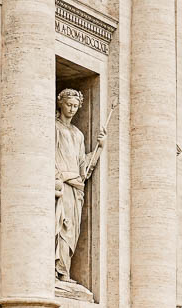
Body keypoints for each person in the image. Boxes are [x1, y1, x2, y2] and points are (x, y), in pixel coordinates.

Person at [54, 89, 104, 284]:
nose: (72, 109)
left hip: (76, 188)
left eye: (75, 106)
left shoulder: (78, 134)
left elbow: (84, 166)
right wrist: (61, 177)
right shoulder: (54, 127)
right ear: (61, 103)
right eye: (69, 105)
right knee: (61, 226)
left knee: (72, 230)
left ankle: (64, 270)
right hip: (63, 184)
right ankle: (57, 271)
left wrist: (100, 148)